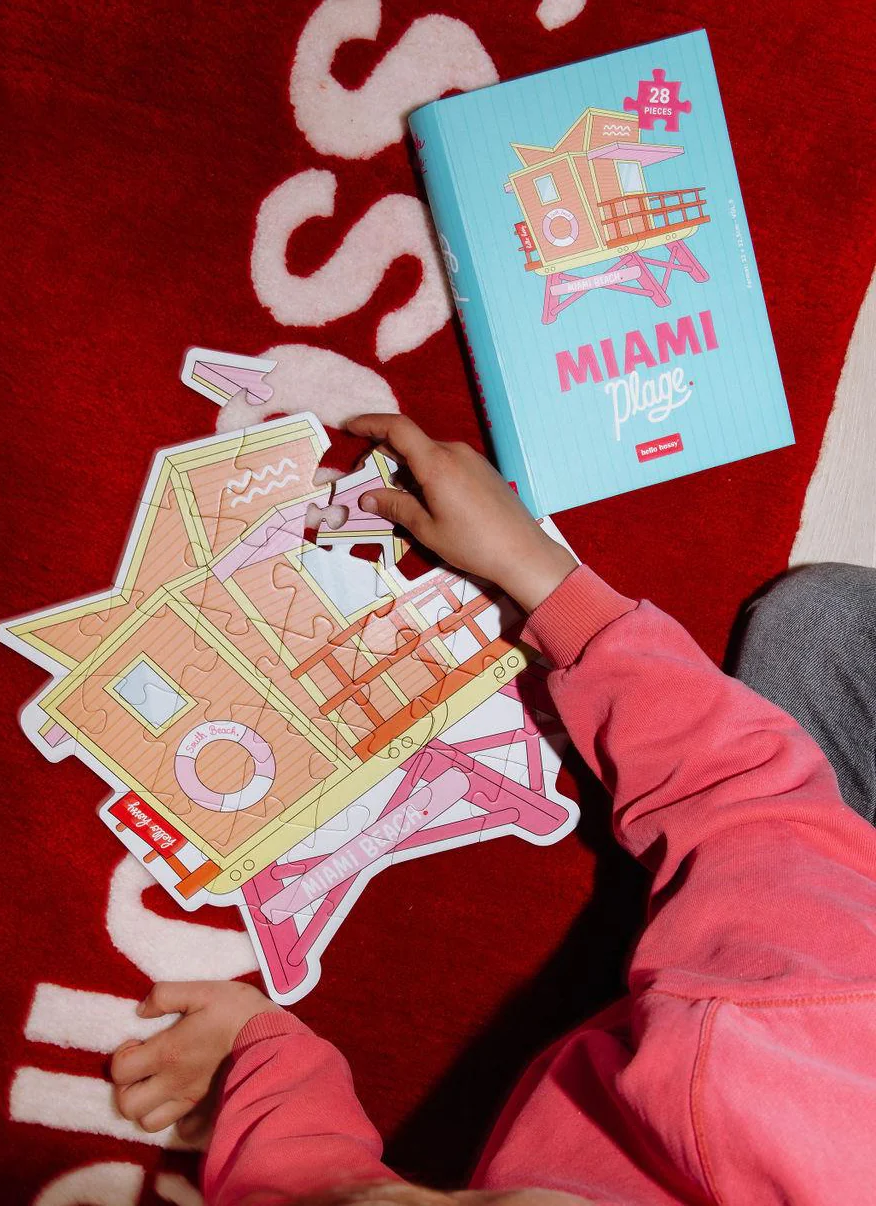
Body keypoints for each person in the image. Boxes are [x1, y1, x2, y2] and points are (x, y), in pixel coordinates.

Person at [110, 415, 876, 1206]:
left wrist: (264, 1065)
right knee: (819, 625)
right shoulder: (775, 1057)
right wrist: (537, 571)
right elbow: (744, 796)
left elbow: (323, 1191)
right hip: (804, 1013)